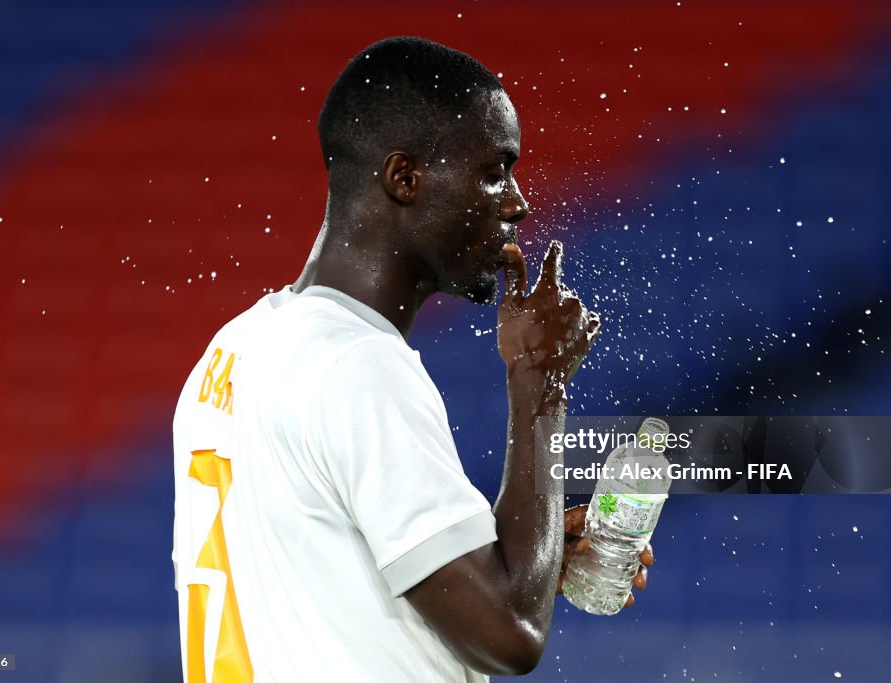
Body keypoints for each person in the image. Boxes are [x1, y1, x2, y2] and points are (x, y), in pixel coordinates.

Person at [172, 36, 653, 682]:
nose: (517, 202)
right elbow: (512, 632)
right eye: (495, 170)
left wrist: (513, 557)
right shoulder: (359, 367)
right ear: (405, 179)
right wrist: (540, 383)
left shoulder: (230, 351)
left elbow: (317, 574)